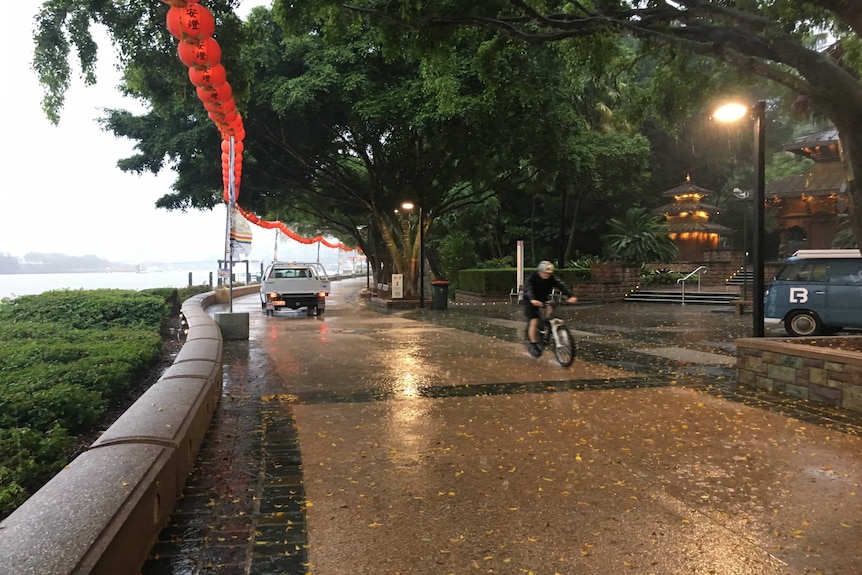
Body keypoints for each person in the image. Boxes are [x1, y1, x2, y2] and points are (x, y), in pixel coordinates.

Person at [523, 261, 577, 358]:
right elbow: (528, 289)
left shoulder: (551, 278)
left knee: (550, 309)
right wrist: (532, 299)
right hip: (531, 300)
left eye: (549, 273)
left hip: (543, 299)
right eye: (545, 273)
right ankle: (533, 343)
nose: (547, 275)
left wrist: (571, 296)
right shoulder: (532, 278)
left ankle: (547, 326)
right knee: (534, 319)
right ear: (540, 271)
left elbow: (561, 285)